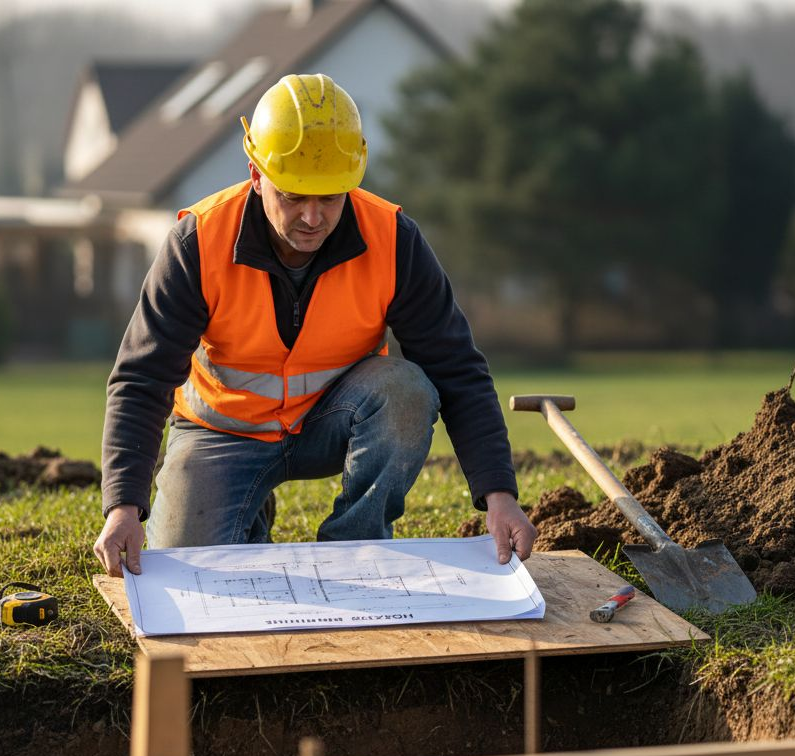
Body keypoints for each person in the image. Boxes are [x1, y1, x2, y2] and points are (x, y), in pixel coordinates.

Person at [93, 73, 535, 577]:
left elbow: (457, 368)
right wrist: (123, 506)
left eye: (329, 197)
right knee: (186, 564)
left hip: (333, 422)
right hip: (223, 432)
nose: (312, 216)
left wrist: (499, 495)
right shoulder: (198, 242)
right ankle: (247, 506)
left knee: (407, 389)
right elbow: (141, 377)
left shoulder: (393, 240)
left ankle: (353, 548)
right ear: (256, 175)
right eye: (294, 196)